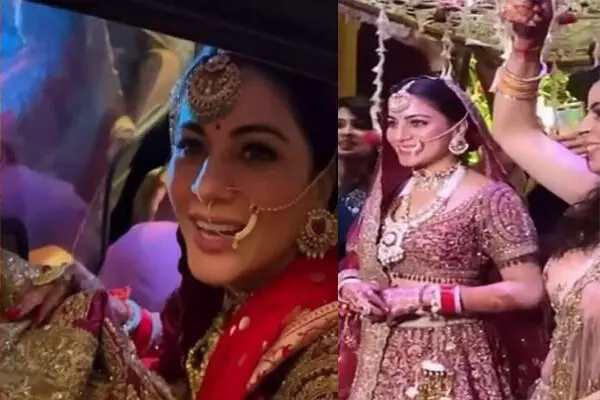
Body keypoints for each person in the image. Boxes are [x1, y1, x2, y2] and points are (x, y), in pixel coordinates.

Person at [3, 48, 338, 399]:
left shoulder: (328, 358)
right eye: (192, 146)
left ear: (322, 184)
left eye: (255, 152)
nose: (204, 187)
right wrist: (108, 310)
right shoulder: (233, 283)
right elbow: (194, 351)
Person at [338, 76, 547, 399]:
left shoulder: (491, 198)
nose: (400, 135)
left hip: (449, 358)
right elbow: (356, 257)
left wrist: (428, 296)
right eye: (392, 123)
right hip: (377, 357)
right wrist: (351, 284)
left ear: (458, 128)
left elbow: (527, 290)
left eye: (417, 123)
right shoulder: (392, 190)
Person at [490, 1, 600, 398]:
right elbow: (514, 131)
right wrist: (526, 49)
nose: (583, 127)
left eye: (599, 113)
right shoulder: (591, 194)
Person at [338, 96, 380, 258]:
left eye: (359, 125)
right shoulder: (313, 184)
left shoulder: (386, 190)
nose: (347, 132)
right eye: (339, 125)